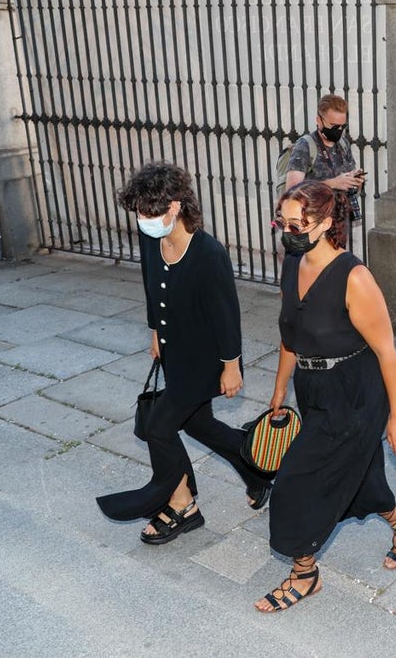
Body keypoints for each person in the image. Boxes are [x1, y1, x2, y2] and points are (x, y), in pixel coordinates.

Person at [255, 181, 396, 612]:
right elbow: (291, 335)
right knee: (359, 478)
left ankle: (305, 575)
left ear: (325, 223)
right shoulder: (292, 262)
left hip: (356, 394)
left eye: (297, 223)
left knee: (292, 484)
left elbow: (386, 352)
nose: (288, 231)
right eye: (282, 223)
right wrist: (280, 388)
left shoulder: (354, 278)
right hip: (313, 389)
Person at [97, 162, 272, 544]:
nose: (143, 220)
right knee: (197, 424)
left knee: (158, 427)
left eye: (150, 212)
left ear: (175, 207)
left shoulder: (208, 253)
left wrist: (231, 367)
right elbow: (150, 285)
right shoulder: (151, 239)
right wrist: (156, 332)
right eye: (139, 213)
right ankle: (258, 470)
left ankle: (182, 506)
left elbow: (227, 315)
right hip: (175, 351)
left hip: (207, 359)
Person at [284, 94, 366, 219]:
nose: (338, 130)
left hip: (337, 221)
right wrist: (332, 183)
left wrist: (354, 179)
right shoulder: (305, 146)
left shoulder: (343, 143)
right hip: (312, 223)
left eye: (342, 126)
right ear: (319, 120)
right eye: (333, 126)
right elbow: (292, 190)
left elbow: (347, 177)